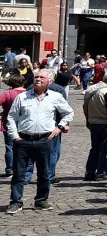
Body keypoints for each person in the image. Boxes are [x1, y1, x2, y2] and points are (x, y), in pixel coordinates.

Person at [5, 70, 73, 213]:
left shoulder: (55, 97)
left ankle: (41, 200)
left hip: (45, 140)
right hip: (23, 140)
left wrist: (59, 127)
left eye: (42, 77)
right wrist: (14, 136)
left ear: (50, 81)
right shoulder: (22, 97)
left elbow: (69, 112)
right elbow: (11, 117)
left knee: (44, 173)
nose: (38, 79)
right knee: (19, 174)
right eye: (36, 77)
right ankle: (16, 201)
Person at [0, 73, 26, 177]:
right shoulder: (29, 93)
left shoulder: (8, 94)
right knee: (25, 147)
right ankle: (23, 168)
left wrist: (5, 111)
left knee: (10, 147)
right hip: (25, 123)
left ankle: (10, 169)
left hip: (9, 123)